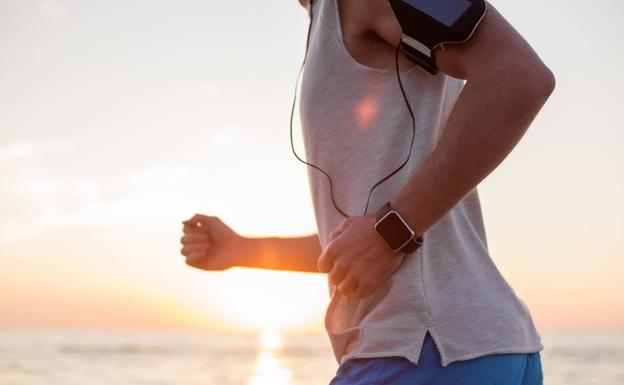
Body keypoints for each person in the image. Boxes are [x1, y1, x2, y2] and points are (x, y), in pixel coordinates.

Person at [180, 0, 555, 383]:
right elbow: (362, 245)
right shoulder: (327, 22)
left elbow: (519, 75)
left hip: (424, 350)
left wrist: (391, 232)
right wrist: (241, 249)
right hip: (478, 348)